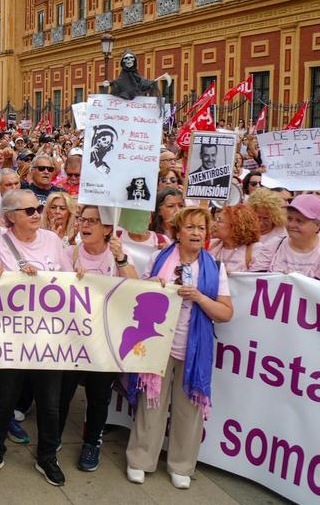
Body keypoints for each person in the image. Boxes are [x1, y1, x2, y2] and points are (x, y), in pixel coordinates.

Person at [127, 207, 233, 489]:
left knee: (190, 407)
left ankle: (182, 465)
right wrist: (153, 285)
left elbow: (225, 312)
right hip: (158, 341)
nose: (197, 233)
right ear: (177, 231)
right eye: (190, 227)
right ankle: (140, 460)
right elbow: (139, 294)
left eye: (201, 228)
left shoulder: (215, 266)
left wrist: (198, 296)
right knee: (152, 402)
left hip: (194, 346)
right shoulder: (158, 257)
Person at [0, 189, 64, 485]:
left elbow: (69, 284)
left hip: (48, 339)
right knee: (3, 400)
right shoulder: (0, 243)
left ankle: (47, 457)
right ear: (11, 217)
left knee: (49, 403)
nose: (37, 214)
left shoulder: (54, 241)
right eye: (29, 211)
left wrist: (78, 273)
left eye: (38, 208)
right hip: (11, 338)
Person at [57, 205, 138, 473]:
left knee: (98, 395)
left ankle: (92, 442)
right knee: (63, 391)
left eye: (94, 221)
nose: (85, 225)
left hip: (104, 339)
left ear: (107, 229)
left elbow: (136, 290)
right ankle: (54, 436)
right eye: (82, 219)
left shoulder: (117, 256)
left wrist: (122, 259)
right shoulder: (70, 252)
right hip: (72, 339)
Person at [262, 194, 320, 283]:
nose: (291, 225)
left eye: (299, 221)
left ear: (317, 226)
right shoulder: (273, 245)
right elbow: (254, 280)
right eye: (289, 219)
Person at [208, 204, 261, 272]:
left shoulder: (254, 250)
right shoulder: (211, 245)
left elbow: (255, 279)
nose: (214, 224)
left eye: (219, 221)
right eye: (216, 220)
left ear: (235, 226)